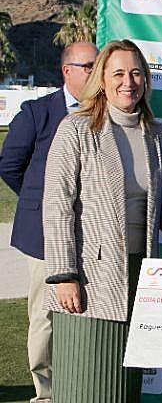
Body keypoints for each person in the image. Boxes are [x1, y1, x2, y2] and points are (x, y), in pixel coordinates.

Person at [40, 40, 162, 403]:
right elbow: (56, 206)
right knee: (88, 383)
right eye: (118, 73)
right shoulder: (76, 128)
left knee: (125, 390)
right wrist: (64, 275)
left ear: (146, 79)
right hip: (88, 279)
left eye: (136, 73)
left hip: (139, 276)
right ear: (102, 78)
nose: (127, 81)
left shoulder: (157, 135)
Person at [0, 40, 97, 403]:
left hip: (91, 234)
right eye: (88, 66)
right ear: (67, 70)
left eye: (97, 65)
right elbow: (10, 165)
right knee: (45, 314)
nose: (94, 72)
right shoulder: (37, 111)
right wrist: (44, 204)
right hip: (42, 235)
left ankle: (82, 384)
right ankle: (46, 393)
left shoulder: (104, 113)